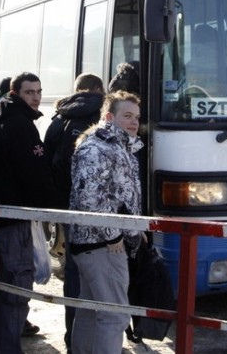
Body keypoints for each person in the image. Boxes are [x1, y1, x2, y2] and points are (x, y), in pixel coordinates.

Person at [0, 71, 58, 354]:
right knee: (16, 289)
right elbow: (36, 175)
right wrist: (52, 210)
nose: (36, 97)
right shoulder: (21, 126)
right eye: (29, 92)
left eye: (38, 92)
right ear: (15, 94)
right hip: (14, 220)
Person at [69, 90, 144, 354]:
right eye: (127, 115)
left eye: (136, 117)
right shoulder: (98, 147)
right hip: (102, 244)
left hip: (95, 242)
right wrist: (114, 235)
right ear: (109, 117)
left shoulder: (115, 146)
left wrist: (135, 228)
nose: (134, 122)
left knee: (92, 311)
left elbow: (117, 195)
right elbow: (89, 198)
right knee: (114, 316)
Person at [43, 73, 105, 353]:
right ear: (100, 90)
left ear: (77, 90)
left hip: (69, 208)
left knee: (74, 273)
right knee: (104, 276)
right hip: (103, 213)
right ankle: (101, 339)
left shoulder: (59, 118)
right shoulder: (106, 118)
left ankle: (74, 339)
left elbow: (48, 164)